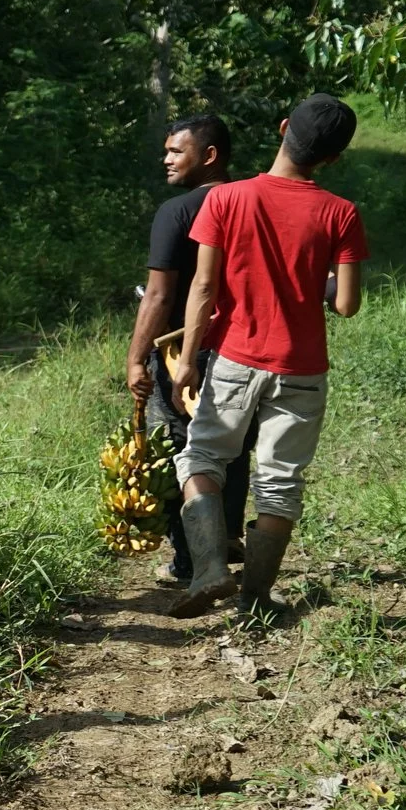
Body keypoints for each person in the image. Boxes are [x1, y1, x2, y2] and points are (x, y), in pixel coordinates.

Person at [168, 94, 367, 619]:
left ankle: (210, 568)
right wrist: (314, 282)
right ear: (332, 159)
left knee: (202, 456)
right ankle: (255, 600)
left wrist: (188, 359)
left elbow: (205, 287)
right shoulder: (341, 213)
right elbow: (345, 304)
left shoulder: (227, 200)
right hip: (302, 368)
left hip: (235, 358)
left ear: (283, 129)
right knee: (279, 481)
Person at [124, 114, 251, 586]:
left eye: (177, 151)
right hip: (244, 348)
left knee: (181, 449)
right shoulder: (253, 203)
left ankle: (189, 559)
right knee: (234, 446)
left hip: (185, 353)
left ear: (209, 156)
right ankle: (229, 537)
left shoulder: (176, 213)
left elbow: (158, 296)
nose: (167, 159)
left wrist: (137, 357)